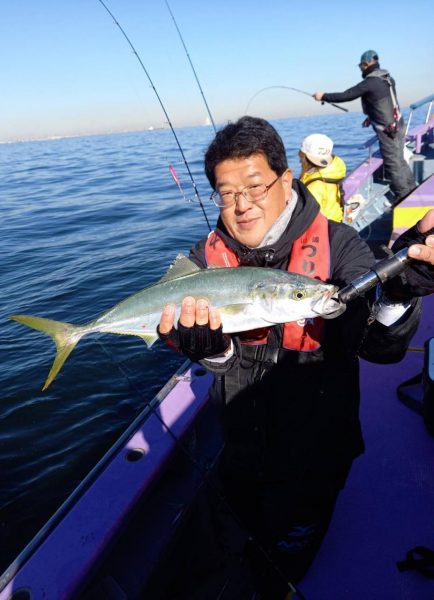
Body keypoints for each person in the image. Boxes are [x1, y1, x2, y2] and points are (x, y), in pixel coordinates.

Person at [158, 116, 434, 599]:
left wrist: (400, 288)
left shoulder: (341, 245)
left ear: (287, 180)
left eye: (255, 186)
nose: (241, 206)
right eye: (226, 193)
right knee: (237, 529)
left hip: (319, 447)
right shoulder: (203, 262)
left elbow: (381, 347)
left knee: (289, 554)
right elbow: (214, 357)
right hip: (242, 442)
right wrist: (212, 351)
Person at [313, 49, 417, 202]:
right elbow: (385, 101)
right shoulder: (387, 78)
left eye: (361, 66)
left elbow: (346, 95)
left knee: (393, 163)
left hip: (388, 131)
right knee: (399, 159)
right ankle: (412, 189)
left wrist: (323, 96)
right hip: (399, 125)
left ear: (366, 64)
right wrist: (371, 116)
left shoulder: (370, 82)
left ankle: (404, 198)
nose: (361, 69)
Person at [298, 133, 346, 222]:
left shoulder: (314, 187)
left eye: (301, 155)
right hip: (336, 221)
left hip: (325, 229)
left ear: (304, 157)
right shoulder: (332, 172)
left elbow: (311, 220)